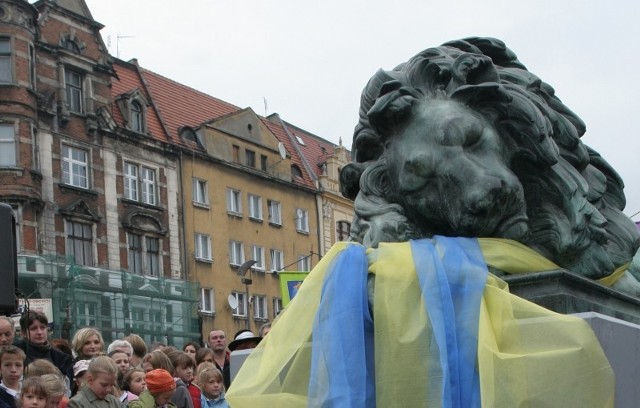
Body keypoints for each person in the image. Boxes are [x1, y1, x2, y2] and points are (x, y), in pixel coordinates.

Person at [16, 311, 73, 386]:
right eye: (33, 329)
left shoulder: (60, 357)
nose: (39, 332)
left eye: (43, 327)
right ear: (23, 332)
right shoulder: (16, 352)